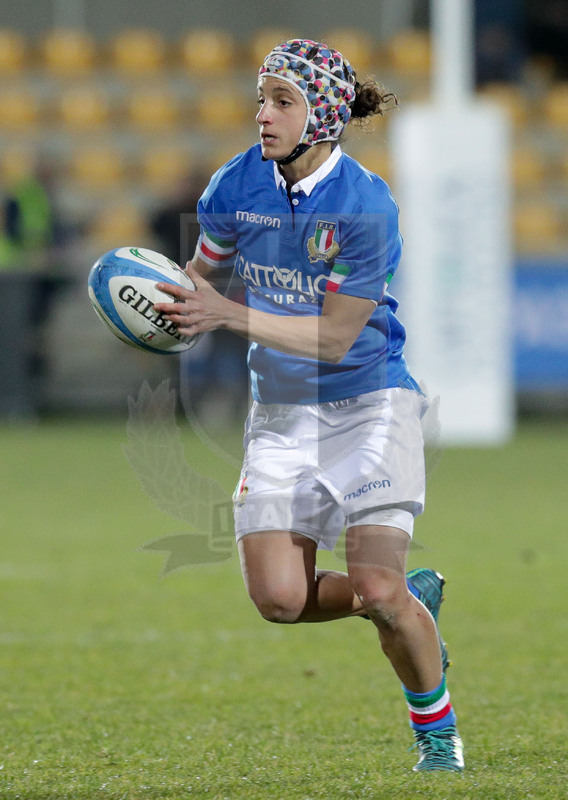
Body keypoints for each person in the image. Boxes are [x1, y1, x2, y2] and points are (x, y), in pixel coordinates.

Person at [154, 38, 464, 773]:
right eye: (261, 98)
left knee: (381, 588)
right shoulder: (236, 184)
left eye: (282, 102)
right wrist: (163, 308)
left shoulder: (366, 204)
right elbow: (201, 278)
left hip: (370, 404)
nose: (263, 115)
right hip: (280, 414)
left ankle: (436, 735)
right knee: (280, 600)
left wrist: (224, 316)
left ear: (322, 116)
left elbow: (333, 338)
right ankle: (401, 601)